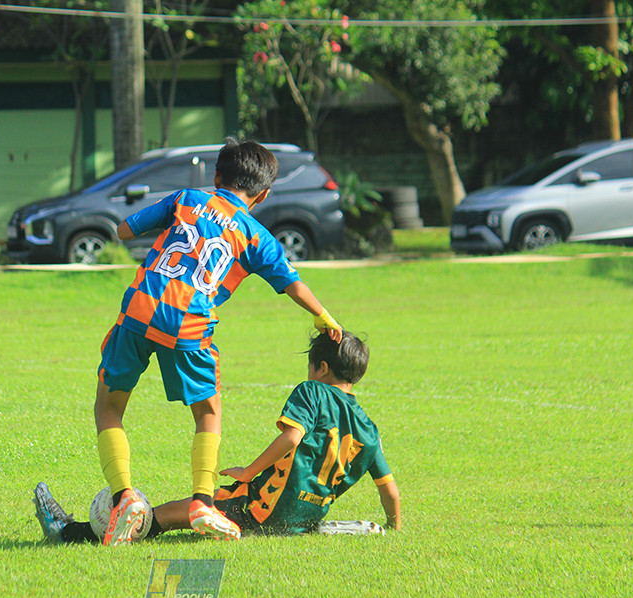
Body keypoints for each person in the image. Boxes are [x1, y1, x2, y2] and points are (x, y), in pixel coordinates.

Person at [93, 139, 343, 546]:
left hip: (140, 309)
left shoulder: (187, 199)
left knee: (109, 407)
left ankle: (124, 498)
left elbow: (123, 230)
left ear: (216, 177)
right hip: (189, 324)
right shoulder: (257, 237)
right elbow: (293, 285)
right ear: (262, 195)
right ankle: (201, 502)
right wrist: (324, 317)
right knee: (207, 415)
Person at [39, 330, 400, 544]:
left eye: (311, 364)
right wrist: (394, 527)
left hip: (262, 508)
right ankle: (316, 528)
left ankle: (70, 532)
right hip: (302, 517)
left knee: (169, 514)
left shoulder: (312, 391)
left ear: (321, 368)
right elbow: (389, 489)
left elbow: (292, 437)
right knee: (214, 511)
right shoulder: (369, 428)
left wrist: (248, 471)